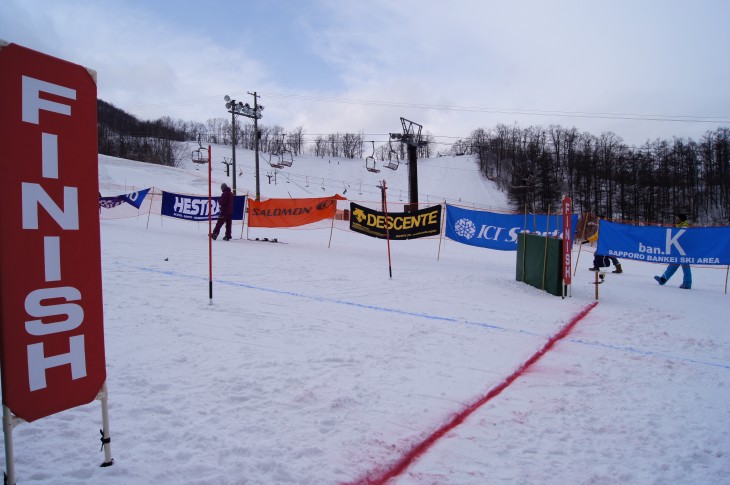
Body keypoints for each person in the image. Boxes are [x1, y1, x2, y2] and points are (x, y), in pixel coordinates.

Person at [654, 213, 692, 289]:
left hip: (684, 251)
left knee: (685, 267)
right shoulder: (679, 227)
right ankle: (663, 279)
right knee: (672, 266)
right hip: (678, 251)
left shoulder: (685, 227)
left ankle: (687, 284)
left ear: (681, 220)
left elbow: (685, 239)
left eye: (677, 219)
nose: (676, 220)